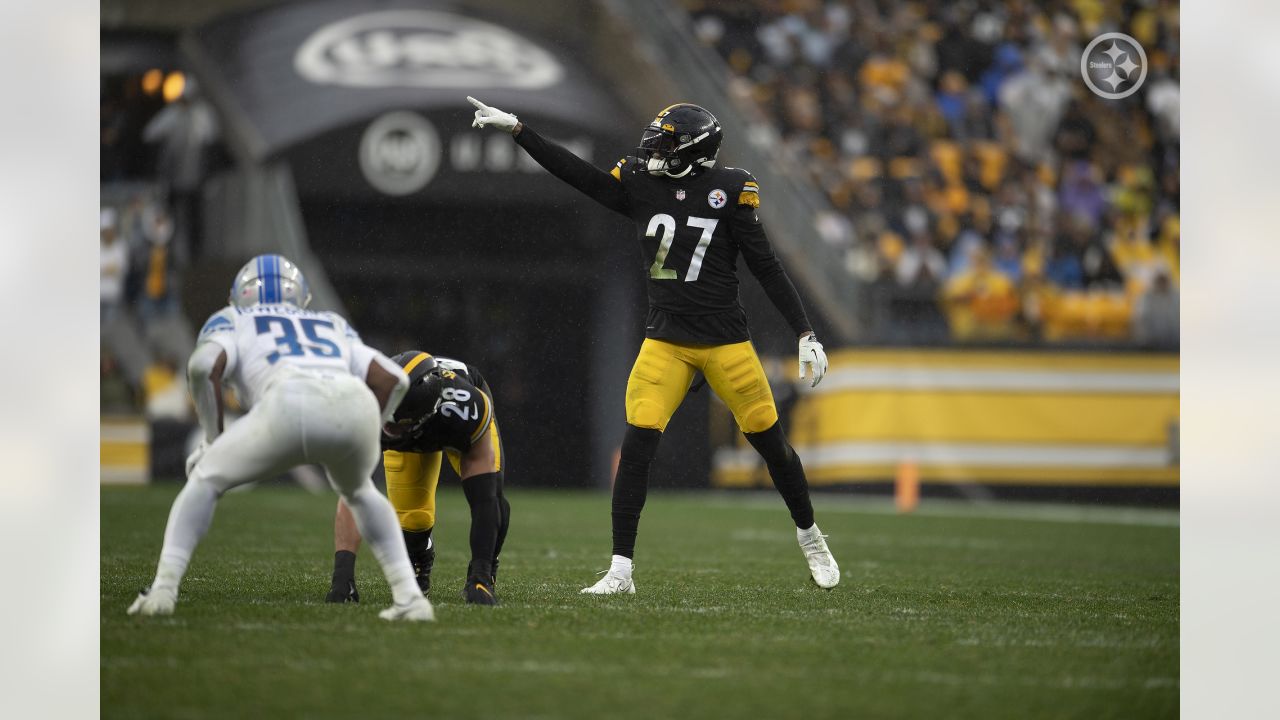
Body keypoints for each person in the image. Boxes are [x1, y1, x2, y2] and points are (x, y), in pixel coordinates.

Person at [468, 97, 840, 594]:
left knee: (770, 443)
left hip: (725, 340)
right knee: (638, 445)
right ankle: (621, 569)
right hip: (666, 338)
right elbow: (580, 176)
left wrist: (805, 331)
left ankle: (811, 536)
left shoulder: (732, 188)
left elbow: (766, 266)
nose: (654, 151)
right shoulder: (642, 183)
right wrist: (521, 130)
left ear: (696, 149)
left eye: (666, 143)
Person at [128, 254, 434, 622]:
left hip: (287, 400)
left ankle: (163, 589)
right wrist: (369, 426)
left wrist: (213, 440)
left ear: (239, 294)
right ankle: (410, 598)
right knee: (360, 493)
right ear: (300, 296)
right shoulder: (330, 322)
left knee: (205, 479)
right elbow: (394, 380)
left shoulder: (234, 318)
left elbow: (202, 366)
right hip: (353, 403)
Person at [326, 351, 511, 606]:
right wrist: (342, 578)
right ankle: (419, 559)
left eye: (397, 424)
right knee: (414, 519)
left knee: (495, 499)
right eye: (385, 420)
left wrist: (480, 574)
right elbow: (352, 493)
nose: (388, 430)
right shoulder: (364, 410)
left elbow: (485, 498)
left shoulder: (468, 407)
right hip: (421, 419)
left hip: (448, 418)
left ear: (425, 413)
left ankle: (482, 574)